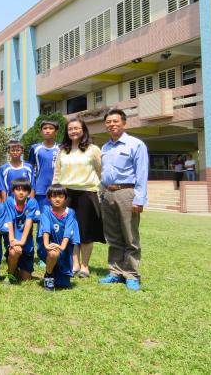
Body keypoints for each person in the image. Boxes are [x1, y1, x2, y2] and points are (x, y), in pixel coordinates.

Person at [99, 108, 148, 291]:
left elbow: (142, 173)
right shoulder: (105, 147)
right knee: (113, 235)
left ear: (124, 123)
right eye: (108, 122)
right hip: (107, 193)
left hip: (127, 192)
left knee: (130, 235)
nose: (111, 124)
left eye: (115, 121)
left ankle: (131, 274)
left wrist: (139, 199)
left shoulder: (135, 144)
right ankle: (115, 271)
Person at [53, 118, 104, 278]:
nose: (73, 131)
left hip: (87, 193)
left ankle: (85, 266)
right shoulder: (62, 150)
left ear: (83, 130)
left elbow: (101, 170)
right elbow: (57, 173)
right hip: (66, 194)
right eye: (70, 129)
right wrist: (54, 192)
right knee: (70, 230)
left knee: (86, 231)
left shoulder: (93, 149)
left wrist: (99, 189)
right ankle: (74, 264)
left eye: (76, 128)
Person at [37, 184, 81, 291]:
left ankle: (55, 273)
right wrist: (47, 245)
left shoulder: (70, 212)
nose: (57, 199)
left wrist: (62, 247)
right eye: (54, 196)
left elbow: (68, 232)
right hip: (49, 247)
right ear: (49, 197)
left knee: (63, 285)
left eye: (61, 196)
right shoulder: (46, 210)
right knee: (53, 253)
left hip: (64, 249)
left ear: (65, 198)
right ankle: (48, 275)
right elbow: (46, 228)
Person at [28, 120, 60, 263]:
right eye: (45, 128)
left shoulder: (61, 148)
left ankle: (55, 251)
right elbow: (31, 171)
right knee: (43, 223)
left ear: (56, 131)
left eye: (50, 128)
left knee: (56, 222)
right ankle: (42, 254)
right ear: (41, 131)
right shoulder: (35, 148)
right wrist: (32, 191)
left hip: (58, 192)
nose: (47, 130)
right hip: (41, 192)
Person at [3, 178, 39, 284]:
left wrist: (22, 242)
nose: (21, 192)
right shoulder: (9, 201)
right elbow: (9, 221)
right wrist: (12, 241)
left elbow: (29, 222)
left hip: (26, 242)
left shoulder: (32, 202)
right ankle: (10, 274)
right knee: (14, 252)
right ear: (13, 190)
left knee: (26, 278)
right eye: (18, 189)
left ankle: (18, 269)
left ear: (29, 192)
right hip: (13, 240)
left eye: (24, 190)